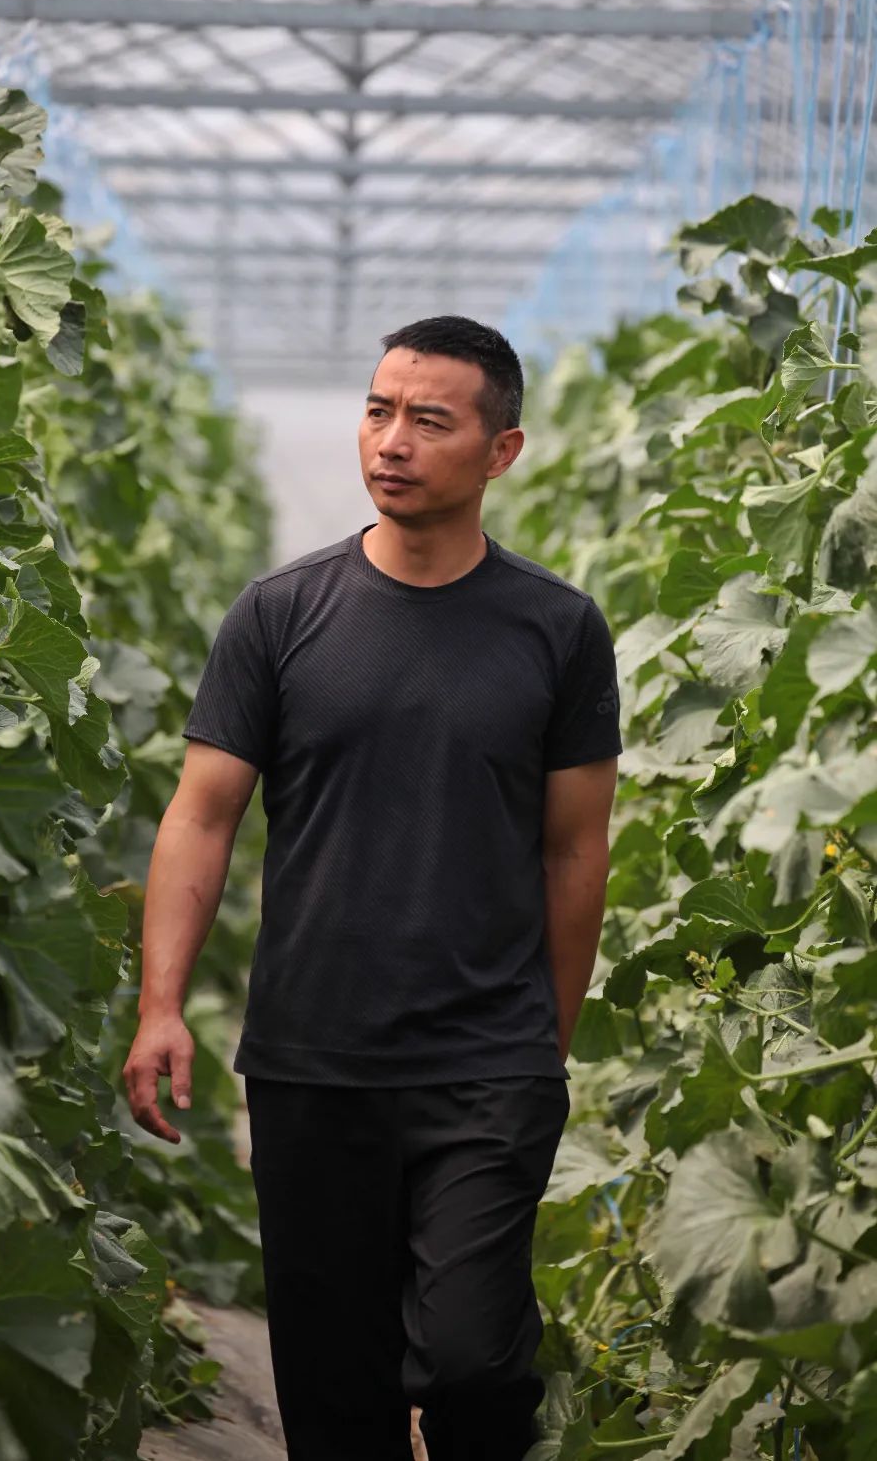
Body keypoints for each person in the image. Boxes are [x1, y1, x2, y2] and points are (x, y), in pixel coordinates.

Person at [124, 315, 622, 1461]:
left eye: (429, 421)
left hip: (485, 1066)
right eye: (377, 410)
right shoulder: (280, 615)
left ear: (502, 452)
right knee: (333, 1391)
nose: (390, 441)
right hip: (311, 1063)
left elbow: (574, 851)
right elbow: (201, 817)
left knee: (474, 1363)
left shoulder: (557, 630)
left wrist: (542, 1044)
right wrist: (161, 1005)